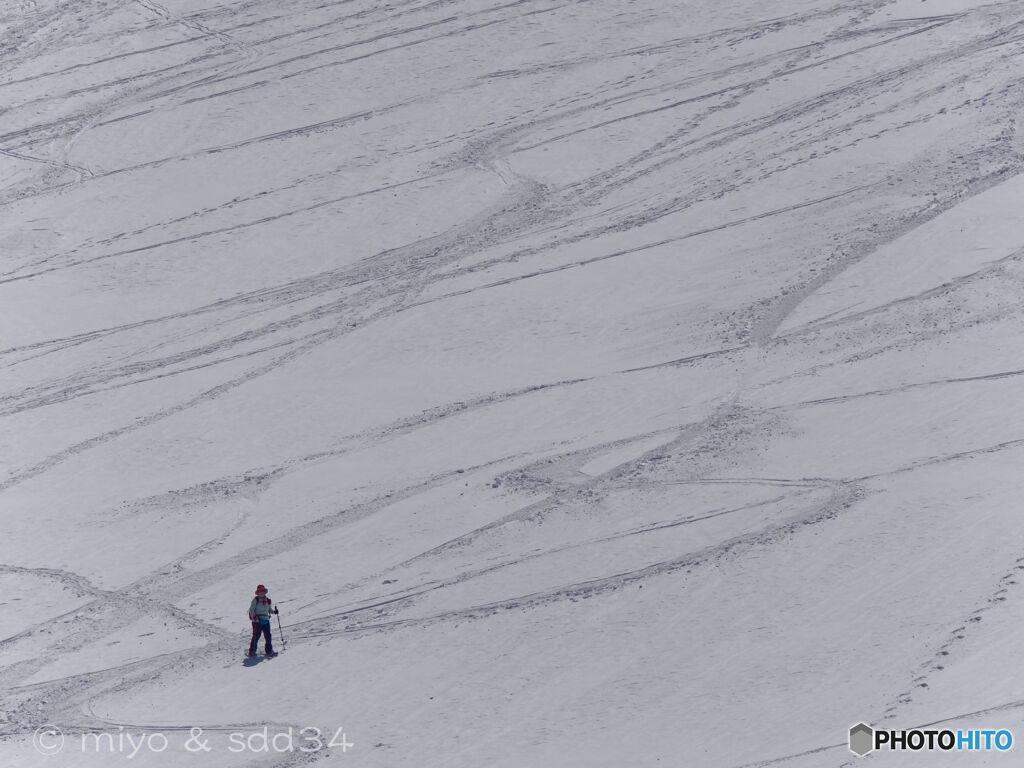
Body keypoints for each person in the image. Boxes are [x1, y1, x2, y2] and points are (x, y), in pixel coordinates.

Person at [248, 584, 278, 657]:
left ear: (265, 592)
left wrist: (274, 612)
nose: (261, 592)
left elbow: (269, 610)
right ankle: (252, 651)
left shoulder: (268, 600)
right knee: (256, 636)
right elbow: (251, 609)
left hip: (266, 620)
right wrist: (254, 617)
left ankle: (269, 651)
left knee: (268, 636)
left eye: (263, 591)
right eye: (260, 591)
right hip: (257, 621)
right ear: (258, 592)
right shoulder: (256, 600)